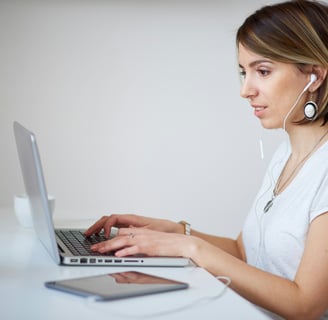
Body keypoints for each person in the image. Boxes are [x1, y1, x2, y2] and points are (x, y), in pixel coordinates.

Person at [85, 1, 328, 319]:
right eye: (244, 72)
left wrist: (190, 249)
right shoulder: (286, 154)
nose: (245, 90)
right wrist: (176, 233)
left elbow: (304, 305)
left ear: (314, 75)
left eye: (263, 71)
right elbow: (245, 253)